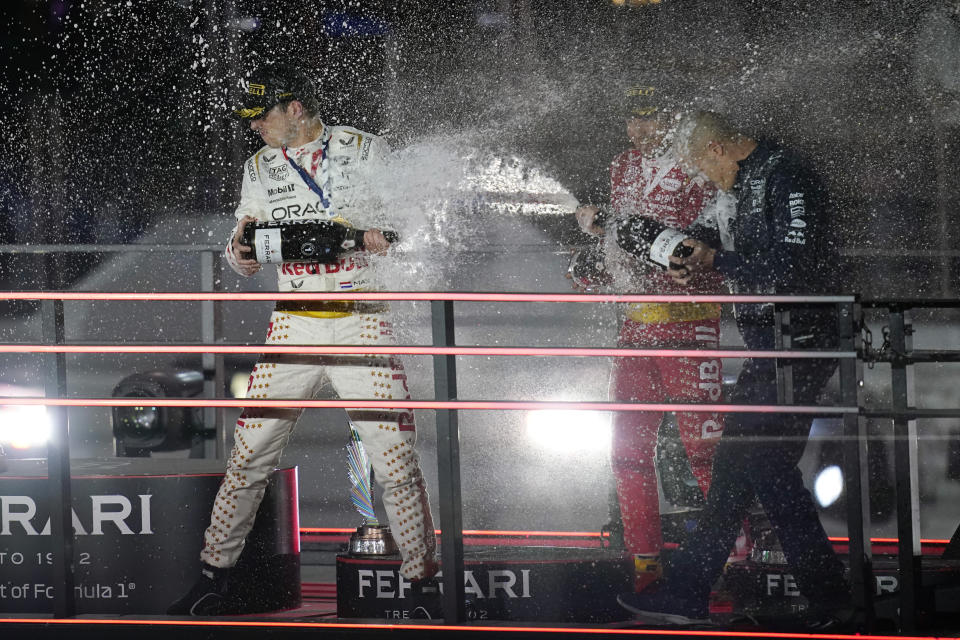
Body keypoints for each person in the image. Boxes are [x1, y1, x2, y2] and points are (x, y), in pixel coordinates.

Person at [168, 63, 437, 616]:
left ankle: (423, 586)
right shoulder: (258, 167)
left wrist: (379, 238)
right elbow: (240, 247)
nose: (255, 130)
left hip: (362, 316)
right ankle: (213, 576)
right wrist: (237, 254)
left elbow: (415, 224)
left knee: (395, 461)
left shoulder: (364, 149)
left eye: (262, 117)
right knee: (248, 456)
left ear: (295, 108)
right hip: (291, 319)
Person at [616, 110, 852, 630]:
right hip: (773, 343)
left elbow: (795, 265)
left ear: (720, 149)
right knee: (745, 468)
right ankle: (696, 591)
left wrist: (714, 261)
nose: (702, 179)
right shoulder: (737, 186)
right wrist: (676, 251)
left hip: (801, 341)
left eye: (702, 166)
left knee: (753, 465)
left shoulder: (787, 175)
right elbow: (709, 233)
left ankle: (822, 596)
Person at [570, 85, 727, 579]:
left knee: (707, 454)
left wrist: (638, 241)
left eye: (650, 119)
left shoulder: (699, 163)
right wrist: (598, 245)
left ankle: (734, 561)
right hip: (637, 325)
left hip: (690, 321)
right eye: (631, 120)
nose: (639, 131)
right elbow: (629, 238)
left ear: (674, 120)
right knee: (627, 450)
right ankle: (644, 563)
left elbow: (703, 242)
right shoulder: (621, 164)